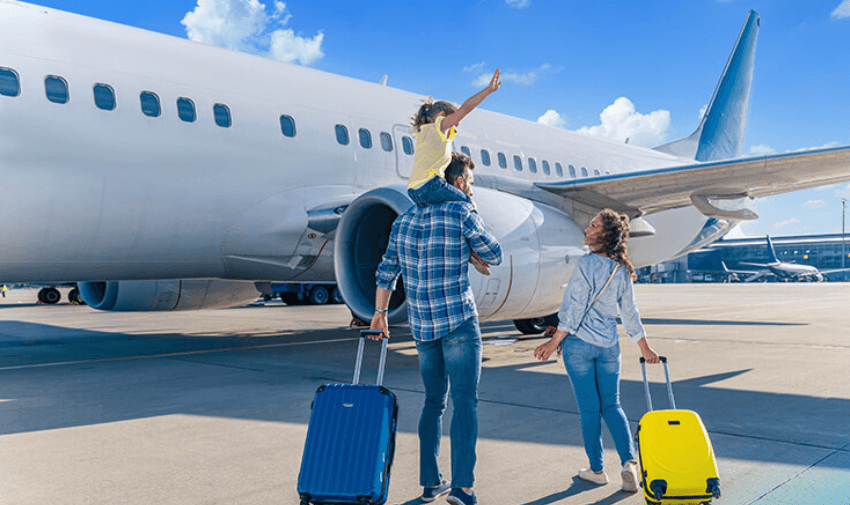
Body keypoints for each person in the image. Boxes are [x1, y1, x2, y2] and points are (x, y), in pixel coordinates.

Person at [370, 153, 502, 505]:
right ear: (458, 183)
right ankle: (463, 487)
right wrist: (471, 221)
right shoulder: (461, 211)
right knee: (465, 402)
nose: (471, 190)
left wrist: (380, 313)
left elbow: (386, 271)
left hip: (423, 327)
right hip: (458, 321)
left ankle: (430, 482)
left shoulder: (404, 220)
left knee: (433, 402)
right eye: (469, 184)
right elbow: (495, 253)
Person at [533, 208, 660, 493]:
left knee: (589, 410)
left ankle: (597, 470)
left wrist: (553, 342)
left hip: (579, 345)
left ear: (604, 234)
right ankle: (630, 464)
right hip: (608, 347)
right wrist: (645, 348)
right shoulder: (621, 269)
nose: (587, 229)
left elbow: (574, 309)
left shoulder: (586, 264)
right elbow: (630, 313)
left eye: (593, 226)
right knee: (612, 406)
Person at [407, 69, 500, 208]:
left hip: (413, 190)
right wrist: (487, 90)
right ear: (441, 115)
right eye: (455, 124)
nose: (455, 130)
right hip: (431, 184)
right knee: (468, 203)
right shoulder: (440, 126)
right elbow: (465, 108)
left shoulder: (423, 133)